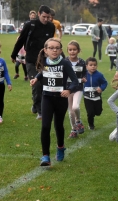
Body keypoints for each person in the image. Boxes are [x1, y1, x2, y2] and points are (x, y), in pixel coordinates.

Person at [30, 38, 78, 166]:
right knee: (45, 126)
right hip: (47, 97)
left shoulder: (65, 63)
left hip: (60, 99)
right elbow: (43, 73)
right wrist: (36, 79)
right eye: (51, 48)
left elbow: (75, 81)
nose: (54, 50)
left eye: (57, 48)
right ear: (46, 50)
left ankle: (61, 147)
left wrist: (69, 90)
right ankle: (45, 156)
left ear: (61, 50)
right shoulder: (45, 61)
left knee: (58, 125)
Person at [11, 5, 55, 120]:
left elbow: (51, 43)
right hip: (30, 60)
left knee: (46, 84)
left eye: (48, 17)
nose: (46, 19)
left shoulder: (51, 27)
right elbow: (21, 40)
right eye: (44, 17)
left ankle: (36, 104)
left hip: (45, 61)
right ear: (39, 14)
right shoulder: (30, 25)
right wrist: (14, 54)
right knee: (37, 84)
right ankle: (40, 112)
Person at [65, 40, 86, 138]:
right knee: (70, 111)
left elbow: (85, 74)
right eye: (70, 50)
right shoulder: (64, 61)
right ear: (67, 51)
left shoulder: (82, 62)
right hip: (68, 89)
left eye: (74, 49)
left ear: (78, 51)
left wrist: (84, 78)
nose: (72, 51)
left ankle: (78, 121)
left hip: (78, 88)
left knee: (75, 107)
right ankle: (73, 130)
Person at [83, 57, 108, 130]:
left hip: (97, 97)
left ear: (97, 66)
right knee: (90, 113)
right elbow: (79, 83)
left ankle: (96, 111)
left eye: (94, 65)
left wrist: (101, 88)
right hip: (87, 97)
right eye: (91, 65)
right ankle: (91, 125)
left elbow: (104, 83)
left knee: (98, 112)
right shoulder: (84, 75)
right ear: (86, 66)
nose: (93, 66)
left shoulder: (99, 75)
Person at [0, 40, 12, 124]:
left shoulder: (2, 61)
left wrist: (9, 83)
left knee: (0, 100)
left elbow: (5, 72)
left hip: (0, 85)